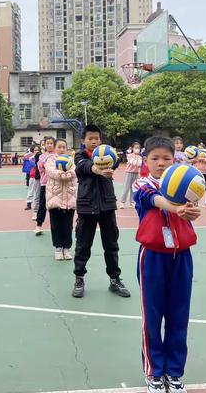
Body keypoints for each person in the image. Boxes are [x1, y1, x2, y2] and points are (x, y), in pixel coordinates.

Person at [132, 136, 201, 393]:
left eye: (166, 158)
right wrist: (176, 208)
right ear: (146, 160)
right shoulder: (143, 184)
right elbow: (154, 199)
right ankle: (154, 372)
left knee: (179, 316)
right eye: (155, 158)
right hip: (152, 257)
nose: (161, 163)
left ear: (175, 159)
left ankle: (174, 372)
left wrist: (191, 210)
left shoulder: (186, 185)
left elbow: (192, 210)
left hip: (182, 256)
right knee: (152, 316)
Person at [72, 124, 130, 299]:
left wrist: (112, 159)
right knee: (83, 245)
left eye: (96, 138)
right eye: (90, 138)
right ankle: (79, 278)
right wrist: (98, 170)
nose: (94, 141)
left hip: (107, 206)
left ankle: (114, 279)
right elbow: (84, 167)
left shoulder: (108, 155)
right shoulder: (80, 156)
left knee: (111, 245)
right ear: (83, 141)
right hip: (87, 206)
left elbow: (117, 161)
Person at [45, 138, 77, 260]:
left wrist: (70, 174)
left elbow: (74, 171)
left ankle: (67, 248)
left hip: (69, 197)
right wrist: (60, 174)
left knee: (68, 225)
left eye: (64, 147)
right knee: (56, 224)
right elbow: (50, 171)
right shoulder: (51, 160)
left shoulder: (71, 161)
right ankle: (58, 248)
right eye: (59, 147)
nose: (62, 149)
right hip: (55, 197)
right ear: (55, 148)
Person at [35, 136, 56, 235]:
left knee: (55, 206)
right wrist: (46, 161)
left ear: (54, 144)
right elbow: (41, 167)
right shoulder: (42, 156)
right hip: (45, 183)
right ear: (44, 145)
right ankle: (38, 226)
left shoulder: (57, 155)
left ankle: (55, 227)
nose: (49, 145)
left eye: (51, 143)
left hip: (56, 184)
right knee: (42, 205)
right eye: (47, 143)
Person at [119, 142, 142, 208]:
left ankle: (132, 202)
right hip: (129, 173)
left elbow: (140, 164)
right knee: (126, 188)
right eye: (136, 148)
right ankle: (122, 202)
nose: (137, 149)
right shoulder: (129, 155)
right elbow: (133, 162)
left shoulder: (140, 157)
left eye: (138, 148)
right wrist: (137, 162)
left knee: (134, 188)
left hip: (136, 173)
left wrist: (138, 161)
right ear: (132, 148)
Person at [24, 145, 39, 210]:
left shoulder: (42, 157)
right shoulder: (31, 158)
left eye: (38, 150)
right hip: (33, 176)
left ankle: (38, 204)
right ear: (33, 151)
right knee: (31, 190)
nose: (37, 151)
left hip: (40, 176)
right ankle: (29, 203)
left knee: (39, 191)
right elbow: (34, 165)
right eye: (35, 150)